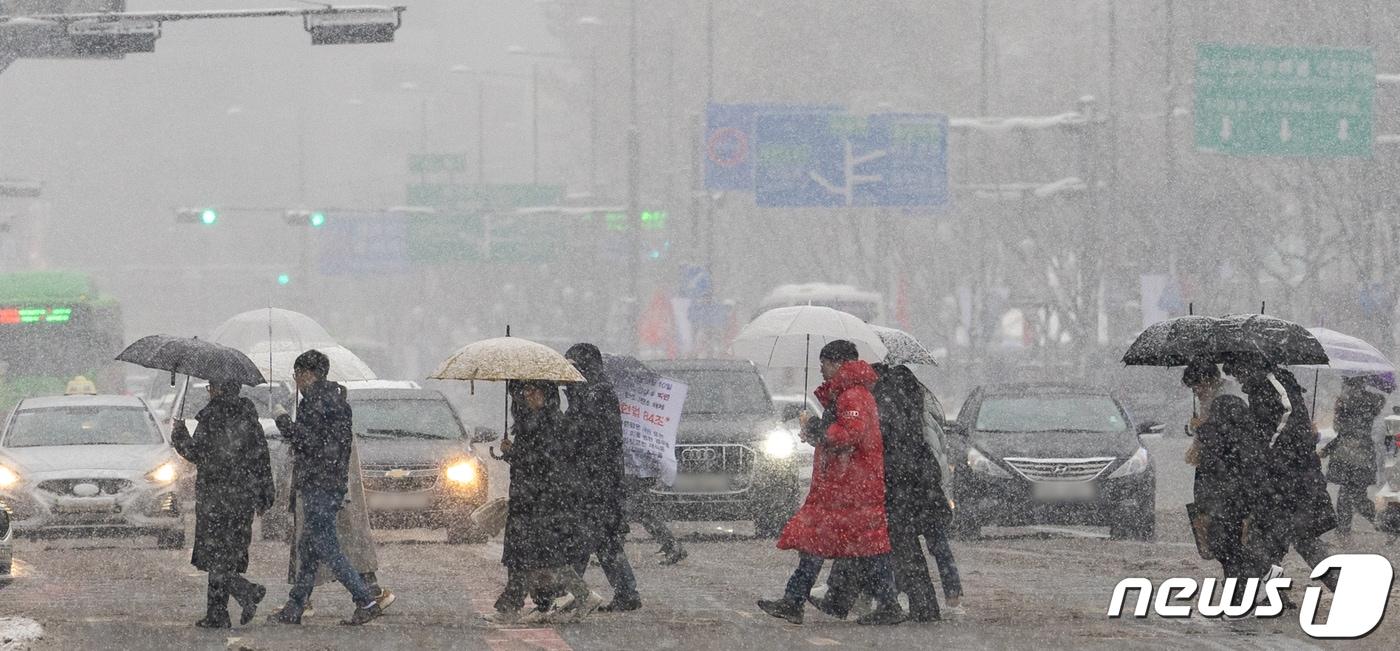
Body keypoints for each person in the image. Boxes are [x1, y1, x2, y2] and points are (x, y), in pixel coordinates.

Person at [757, 340, 905, 626]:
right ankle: (885, 604)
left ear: (838, 363)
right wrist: (815, 432)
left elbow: (849, 435)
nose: (821, 370)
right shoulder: (851, 394)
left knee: (828, 542)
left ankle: (795, 601)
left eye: (824, 364)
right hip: (847, 484)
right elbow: (840, 438)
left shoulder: (852, 396)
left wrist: (817, 428)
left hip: (850, 487)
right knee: (864, 545)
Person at [812, 363, 949, 622]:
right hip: (906, 485)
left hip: (892, 485)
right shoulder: (904, 399)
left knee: (885, 544)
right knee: (880, 543)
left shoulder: (884, 400)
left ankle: (873, 603)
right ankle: (913, 607)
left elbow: (871, 438)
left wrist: (825, 426)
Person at [266, 350, 382, 625]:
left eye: (296, 375)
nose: (296, 381)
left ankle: (364, 599)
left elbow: (307, 442)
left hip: (319, 484)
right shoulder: (338, 401)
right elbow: (330, 445)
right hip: (331, 482)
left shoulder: (314, 402)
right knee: (309, 548)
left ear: (307, 374)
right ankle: (295, 606)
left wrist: (283, 420)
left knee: (328, 546)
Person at [1222, 354, 1338, 593]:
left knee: (1281, 541)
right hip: (1285, 482)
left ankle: (1250, 596)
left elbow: (1280, 429)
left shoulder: (1272, 386)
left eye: (1240, 373)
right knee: (1281, 541)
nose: (1240, 381)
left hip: (1288, 483)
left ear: (1250, 365)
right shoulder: (1264, 387)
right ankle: (1263, 596)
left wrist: (1260, 455)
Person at [489, 380, 600, 624]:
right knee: (530, 556)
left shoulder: (551, 421)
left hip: (542, 500)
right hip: (530, 498)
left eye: (533, 389)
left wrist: (514, 453)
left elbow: (544, 462)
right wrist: (512, 454)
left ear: (547, 392)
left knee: (534, 556)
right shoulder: (533, 420)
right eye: (524, 390)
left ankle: (513, 605)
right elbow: (532, 462)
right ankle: (520, 604)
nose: (528, 395)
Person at [170, 380, 275, 628]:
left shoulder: (212, 416)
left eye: (210, 387)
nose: (209, 392)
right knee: (227, 555)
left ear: (218, 389)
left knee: (216, 555)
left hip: (217, 497)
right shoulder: (250, 417)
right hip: (242, 498)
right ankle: (217, 613)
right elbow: (262, 455)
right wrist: (264, 492)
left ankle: (244, 592)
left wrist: (179, 434)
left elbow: (198, 453)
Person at [563, 343, 643, 612]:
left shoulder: (596, 393)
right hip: (597, 481)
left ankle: (570, 593)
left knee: (584, 540)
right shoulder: (589, 391)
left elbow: (587, 436)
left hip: (597, 482)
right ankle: (625, 592)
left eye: (573, 364)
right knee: (602, 541)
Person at [1182, 359, 1267, 593]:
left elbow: (1226, 444)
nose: (1195, 392)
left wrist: (1203, 429)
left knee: (1225, 543)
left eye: (1196, 385)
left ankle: (1242, 589)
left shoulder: (1226, 402)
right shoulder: (1214, 404)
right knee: (1222, 542)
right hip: (1221, 487)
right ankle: (1241, 587)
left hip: (1226, 488)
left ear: (1208, 381)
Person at [1321, 377, 1385, 538]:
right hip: (1360, 458)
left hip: (1350, 458)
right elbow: (1348, 432)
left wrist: (1339, 408)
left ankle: (1376, 524)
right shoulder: (1370, 402)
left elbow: (1341, 431)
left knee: (1349, 497)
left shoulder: (1347, 403)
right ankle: (1378, 523)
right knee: (1355, 497)